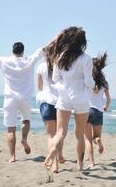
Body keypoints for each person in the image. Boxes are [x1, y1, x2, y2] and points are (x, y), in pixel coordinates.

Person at [44, 27, 95, 171]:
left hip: (64, 98)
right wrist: (92, 87)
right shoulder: (86, 59)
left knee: (60, 132)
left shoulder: (59, 57)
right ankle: (80, 165)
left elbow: (55, 80)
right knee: (79, 135)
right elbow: (88, 81)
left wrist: (65, 89)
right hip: (81, 99)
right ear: (82, 42)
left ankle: (51, 154)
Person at [36, 54, 65, 173]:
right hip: (60, 102)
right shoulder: (61, 66)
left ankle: (54, 165)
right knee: (60, 133)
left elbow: (39, 86)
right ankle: (59, 153)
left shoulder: (41, 67)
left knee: (50, 135)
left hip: (46, 102)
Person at [84, 52, 111, 167]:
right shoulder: (104, 83)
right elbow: (109, 99)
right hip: (99, 111)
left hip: (87, 110)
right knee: (96, 136)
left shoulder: (88, 80)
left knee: (88, 139)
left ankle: (91, 162)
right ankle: (98, 141)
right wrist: (106, 107)